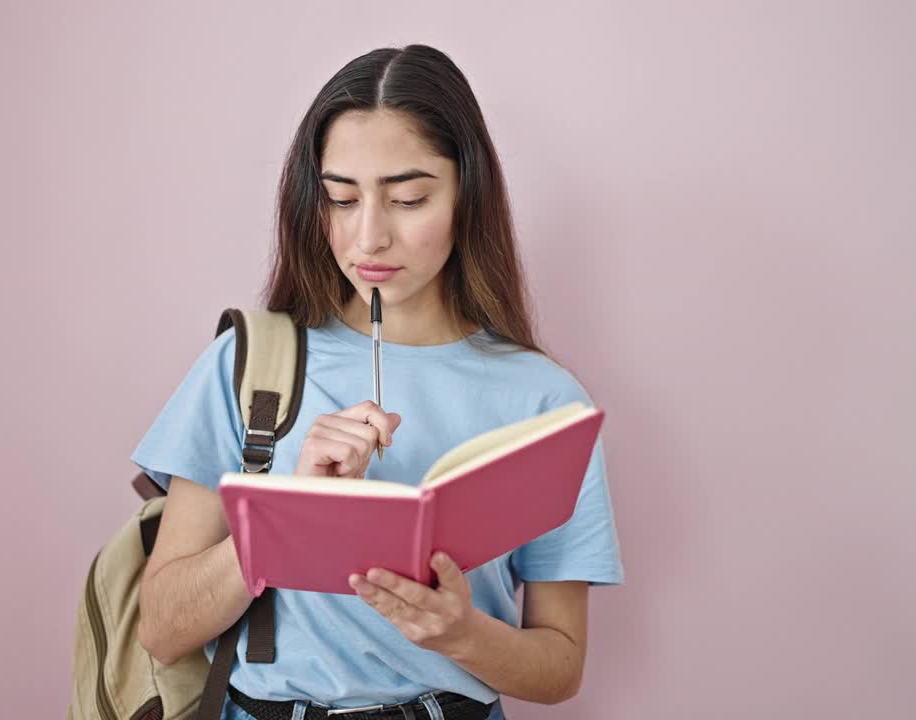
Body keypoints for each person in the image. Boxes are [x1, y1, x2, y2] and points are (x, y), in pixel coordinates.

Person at [131, 44, 624, 720]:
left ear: (466, 196)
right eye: (341, 198)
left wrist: (463, 635)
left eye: (408, 199)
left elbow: (560, 664)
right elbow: (161, 629)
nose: (368, 238)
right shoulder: (247, 363)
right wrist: (287, 512)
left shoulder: (545, 401)